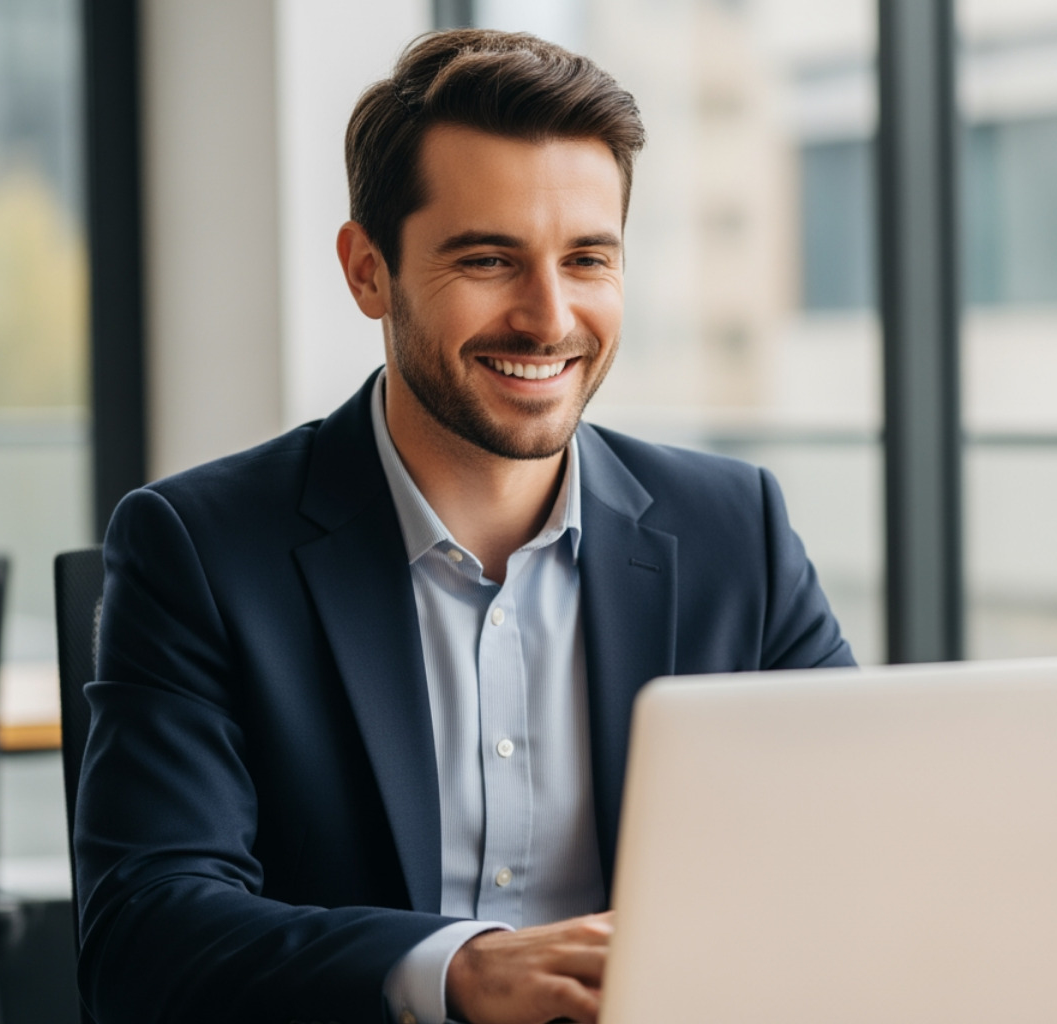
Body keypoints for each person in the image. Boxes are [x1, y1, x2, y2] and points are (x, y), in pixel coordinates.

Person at [75, 28, 853, 1024]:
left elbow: (862, 845)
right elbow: (145, 937)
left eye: (587, 259)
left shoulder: (736, 532)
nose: (549, 317)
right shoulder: (199, 549)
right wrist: (460, 972)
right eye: (489, 259)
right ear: (368, 271)